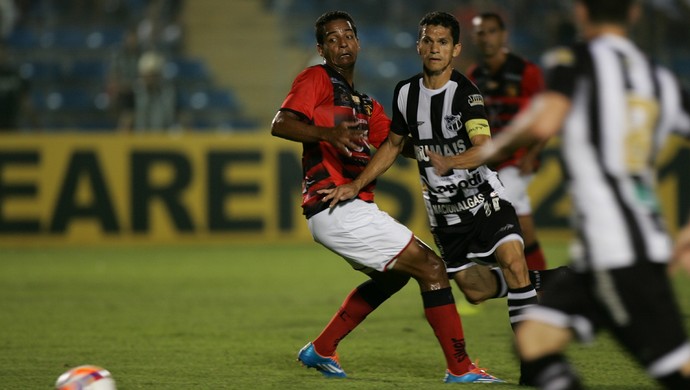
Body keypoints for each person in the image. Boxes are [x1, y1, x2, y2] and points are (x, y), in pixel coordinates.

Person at [428, 1, 690, 388]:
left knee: (675, 371)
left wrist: (487, 149)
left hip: (619, 253)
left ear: (581, 12)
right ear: (634, 14)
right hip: (616, 251)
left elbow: (547, 116)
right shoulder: (659, 78)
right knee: (534, 343)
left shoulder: (576, 60)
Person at [270, 11, 501, 383]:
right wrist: (328, 135)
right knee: (432, 268)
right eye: (332, 38)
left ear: (359, 43)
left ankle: (321, 349)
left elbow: (397, 145)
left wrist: (446, 150)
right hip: (334, 206)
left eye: (348, 36)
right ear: (321, 48)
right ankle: (460, 369)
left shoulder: (366, 105)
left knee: (393, 278)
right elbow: (280, 123)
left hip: (352, 208)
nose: (342, 43)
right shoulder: (316, 78)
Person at [320, 10, 544, 382]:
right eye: (428, 40)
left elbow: (484, 148)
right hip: (444, 216)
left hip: (484, 200)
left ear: (455, 49)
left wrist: (451, 161)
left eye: (443, 42)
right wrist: (356, 185)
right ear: (419, 44)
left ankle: (533, 368)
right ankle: (553, 281)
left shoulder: (466, 94)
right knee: (474, 290)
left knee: (514, 260)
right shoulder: (405, 93)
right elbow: (393, 145)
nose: (435, 48)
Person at [467, 12, 548, 271]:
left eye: (492, 31)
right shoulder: (474, 75)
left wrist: (531, 154)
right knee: (523, 226)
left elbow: (546, 115)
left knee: (491, 217)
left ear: (503, 35)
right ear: (474, 38)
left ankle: (485, 285)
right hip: (489, 162)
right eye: (481, 32)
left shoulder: (527, 72)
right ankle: (545, 286)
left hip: (517, 161)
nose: (487, 38)